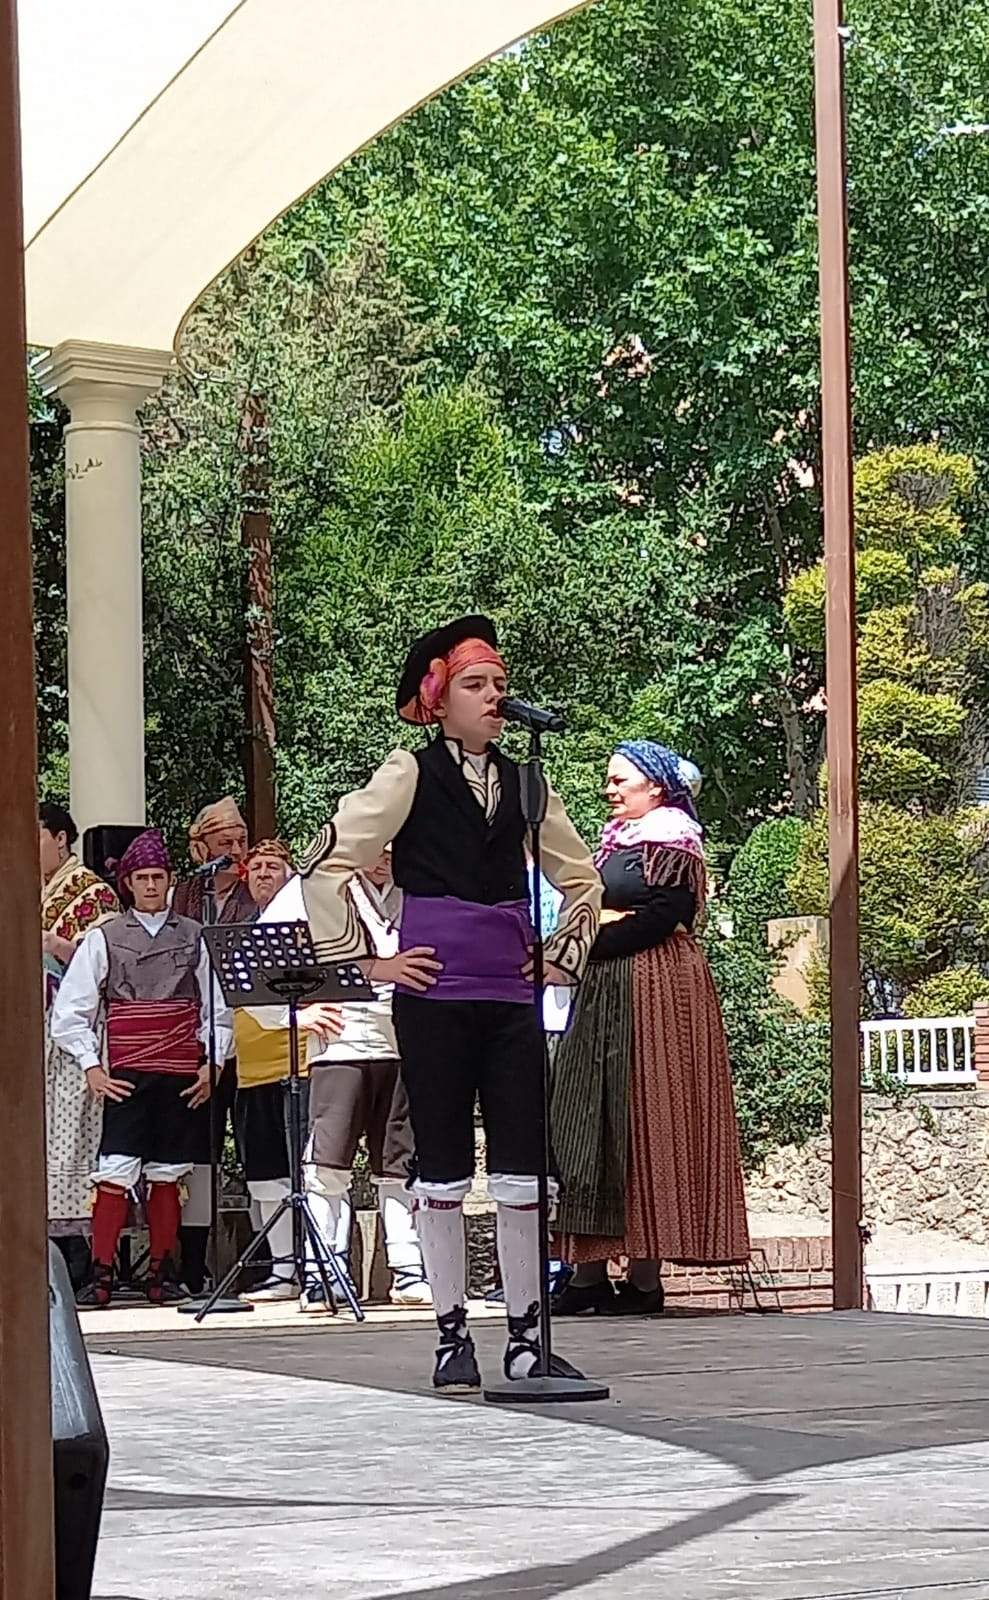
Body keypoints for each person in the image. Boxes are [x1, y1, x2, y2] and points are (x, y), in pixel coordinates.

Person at [298, 614, 601, 1388]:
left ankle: (528, 1337)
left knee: (522, 1168)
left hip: (508, 997)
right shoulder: (409, 772)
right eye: (476, 684)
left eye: (499, 682)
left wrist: (559, 954)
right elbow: (325, 864)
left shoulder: (528, 783)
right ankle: (449, 1335)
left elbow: (582, 878)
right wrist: (371, 961)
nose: (495, 695)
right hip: (432, 998)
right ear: (438, 700)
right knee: (437, 1162)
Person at [551, 740, 750, 1315]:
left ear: (655, 788)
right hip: (606, 984)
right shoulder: (617, 844)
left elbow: (663, 918)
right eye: (610, 782)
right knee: (589, 1110)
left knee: (648, 1109)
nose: (610, 790)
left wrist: (585, 941)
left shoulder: (671, 839)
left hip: (654, 983)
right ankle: (587, 1274)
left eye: (621, 781)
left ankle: (643, 1274)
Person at [50, 829, 231, 1308]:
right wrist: (91, 1065)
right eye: (143, 878)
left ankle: (159, 1273)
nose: (151, 885)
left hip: (178, 1070)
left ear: (170, 881)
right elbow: (71, 1012)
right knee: (115, 1171)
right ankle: (103, 1273)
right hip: (127, 1072)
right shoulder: (103, 938)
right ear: (127, 883)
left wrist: (213, 1063)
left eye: (159, 877)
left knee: (169, 1173)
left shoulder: (195, 936)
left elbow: (218, 1008)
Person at [256, 847, 432, 1313]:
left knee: (400, 1164)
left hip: (407, 1038)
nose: (386, 858)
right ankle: (323, 1272)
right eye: (378, 846)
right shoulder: (313, 888)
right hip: (341, 1042)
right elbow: (258, 958)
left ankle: (409, 1268)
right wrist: (292, 1012)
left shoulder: (422, 883)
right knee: (327, 1164)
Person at [231, 839, 344, 1306]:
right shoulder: (241, 932)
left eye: (272, 866)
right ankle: (282, 1270)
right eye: (255, 867)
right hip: (252, 1067)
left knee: (311, 1168)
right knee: (265, 1171)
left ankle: (320, 1268)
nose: (263, 873)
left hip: (301, 1062)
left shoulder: (308, 921)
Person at [172, 796, 254, 1289]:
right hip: (192, 1042)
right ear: (200, 847)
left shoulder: (257, 892)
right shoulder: (182, 896)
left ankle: (267, 1262)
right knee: (197, 1152)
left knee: (255, 1148)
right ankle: (192, 1264)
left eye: (241, 841)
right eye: (225, 843)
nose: (237, 851)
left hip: (252, 1039)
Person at [40, 802, 120, 1281]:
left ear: (61, 838)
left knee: (74, 1140)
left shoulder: (90, 893)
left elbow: (105, 965)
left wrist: (54, 946)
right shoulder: (30, 888)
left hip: (76, 1038)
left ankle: (81, 1251)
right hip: (31, 1037)